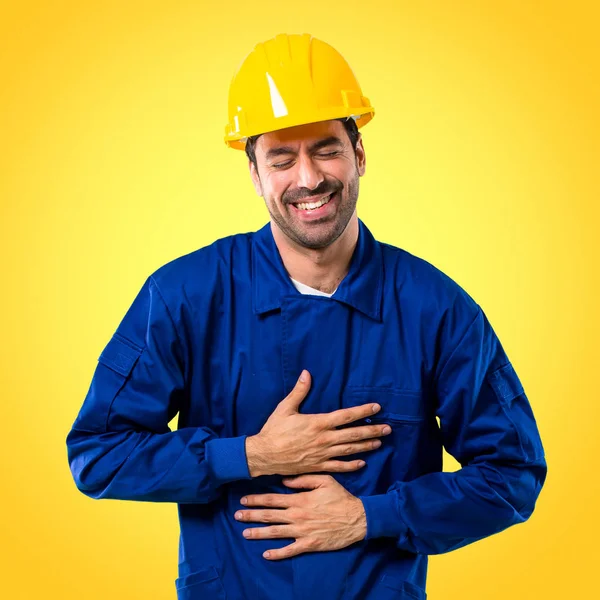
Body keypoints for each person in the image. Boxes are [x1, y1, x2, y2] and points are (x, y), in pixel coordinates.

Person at [66, 33, 547, 600]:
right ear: (255, 175)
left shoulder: (437, 310)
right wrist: (248, 454)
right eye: (282, 158)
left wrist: (372, 517)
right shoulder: (184, 296)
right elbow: (98, 455)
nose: (308, 178)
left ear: (359, 155)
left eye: (325, 148)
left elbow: (512, 476)